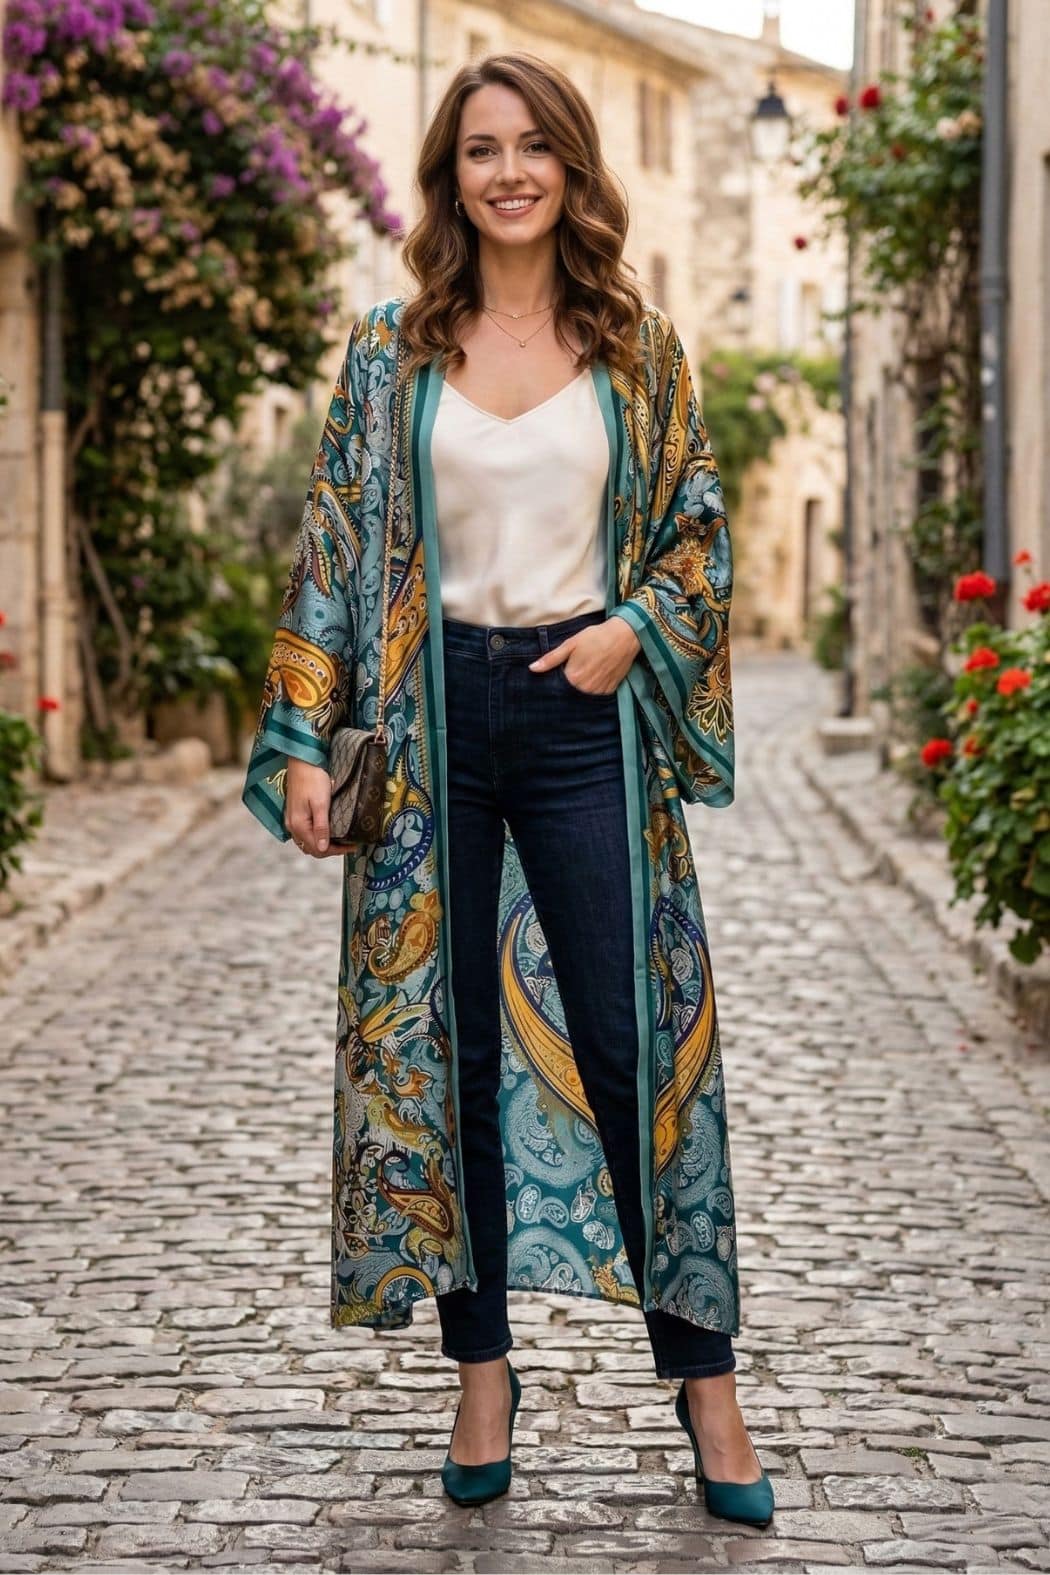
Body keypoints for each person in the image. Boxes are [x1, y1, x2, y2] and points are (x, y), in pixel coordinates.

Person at [242, 51, 773, 1529]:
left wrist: (632, 632)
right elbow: (337, 548)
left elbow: (698, 541)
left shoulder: (639, 349)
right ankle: (483, 1375)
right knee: (448, 1047)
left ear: (572, 168)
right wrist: (298, 739)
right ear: (448, 177)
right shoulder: (389, 350)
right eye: (480, 149)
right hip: (428, 732)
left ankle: (707, 1392)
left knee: (630, 1045)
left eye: (534, 145)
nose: (508, 171)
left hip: (577, 716)